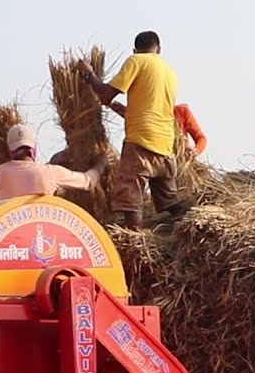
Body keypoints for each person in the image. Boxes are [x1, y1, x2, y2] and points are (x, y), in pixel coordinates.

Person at [77, 31, 185, 229]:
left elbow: (106, 94)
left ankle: (135, 240)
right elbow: (151, 109)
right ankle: (188, 224)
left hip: (141, 143)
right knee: (170, 202)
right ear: (159, 50)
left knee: (130, 200)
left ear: (135, 50)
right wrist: (122, 109)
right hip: (166, 145)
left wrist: (89, 74)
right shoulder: (169, 71)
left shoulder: (136, 61)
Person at [0, 124, 103, 200]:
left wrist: (51, 164)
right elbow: (88, 181)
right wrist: (102, 163)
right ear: (34, 148)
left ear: (10, 151)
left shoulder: (1, 171)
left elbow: (27, 173)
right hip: (42, 224)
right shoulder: (51, 172)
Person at [107, 101, 207, 156]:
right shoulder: (150, 114)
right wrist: (112, 103)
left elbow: (201, 138)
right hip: (155, 157)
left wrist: (195, 151)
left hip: (178, 161)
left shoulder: (182, 112)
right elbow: (131, 115)